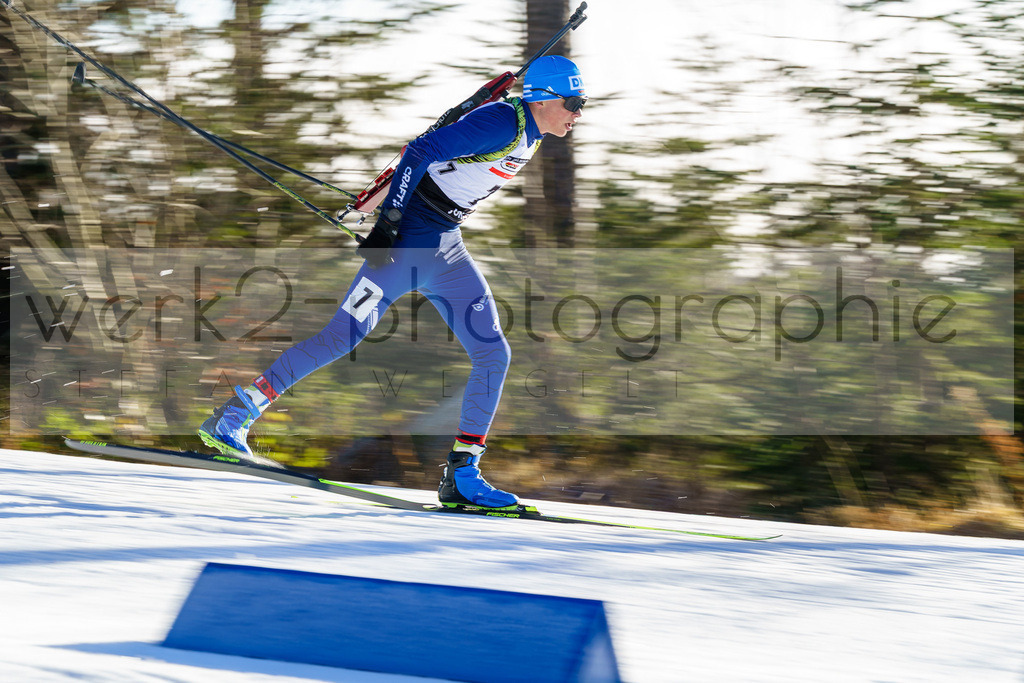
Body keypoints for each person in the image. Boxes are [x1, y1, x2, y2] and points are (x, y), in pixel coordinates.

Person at [199, 55, 586, 509]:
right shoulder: (502, 123)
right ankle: (235, 415)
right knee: (342, 336)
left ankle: (463, 475)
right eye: (573, 102)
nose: (578, 113)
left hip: (445, 247)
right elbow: (419, 151)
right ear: (543, 99)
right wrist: (389, 222)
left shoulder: (529, 130)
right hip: (409, 245)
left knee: (493, 353)